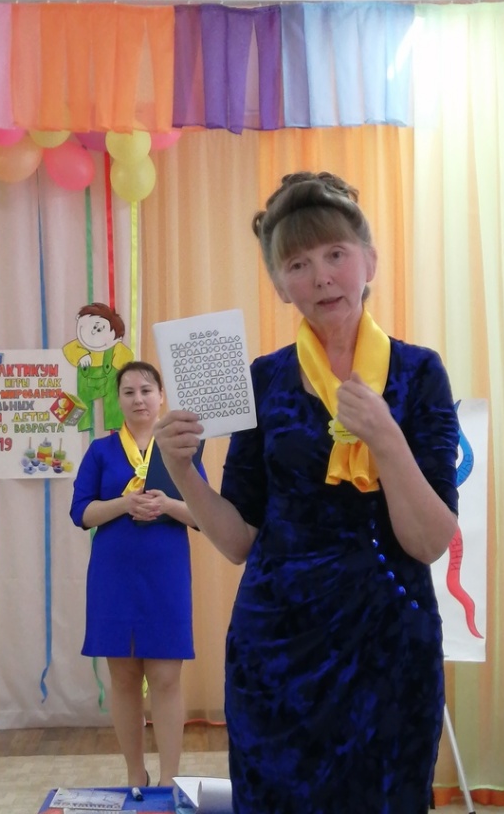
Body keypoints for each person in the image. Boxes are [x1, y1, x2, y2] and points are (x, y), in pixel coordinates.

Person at [154, 171, 460, 814]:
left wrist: (386, 438)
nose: (321, 277)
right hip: (277, 649)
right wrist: (182, 472)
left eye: (335, 254)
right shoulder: (263, 379)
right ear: (279, 284)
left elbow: (431, 541)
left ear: (368, 262)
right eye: (298, 264)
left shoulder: (418, 372)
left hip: (389, 643)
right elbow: (238, 539)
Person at [70, 360, 206, 792]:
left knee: (166, 678)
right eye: (128, 392)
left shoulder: (180, 449)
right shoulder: (101, 451)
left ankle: (168, 780)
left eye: (146, 390)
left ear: (161, 396)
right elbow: (81, 512)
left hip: (165, 575)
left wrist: (167, 505)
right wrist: (124, 504)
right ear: (119, 400)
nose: (138, 399)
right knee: (124, 679)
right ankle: (135, 774)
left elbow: (204, 515)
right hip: (113, 576)